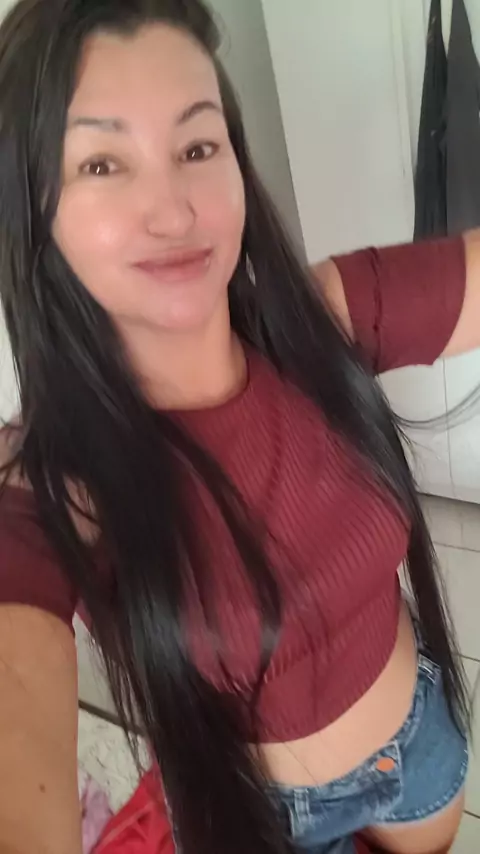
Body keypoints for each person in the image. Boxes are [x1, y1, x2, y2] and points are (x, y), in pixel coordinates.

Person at [0, 2, 478, 853]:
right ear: (35, 208)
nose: (173, 211)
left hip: (418, 751)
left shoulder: (317, 322)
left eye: (196, 147)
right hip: (256, 818)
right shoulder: (51, 478)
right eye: (102, 162)